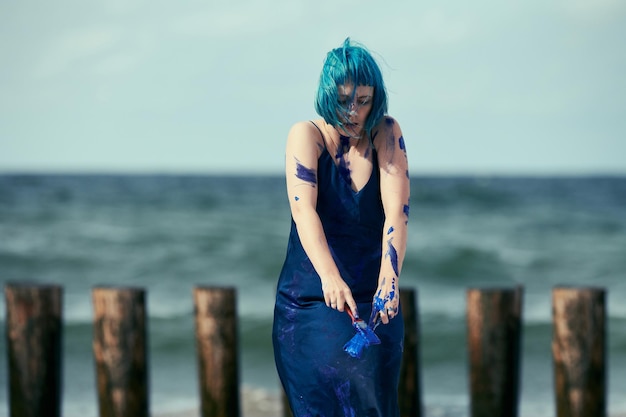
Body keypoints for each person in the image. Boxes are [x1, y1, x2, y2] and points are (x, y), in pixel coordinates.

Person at [272, 38, 410, 417]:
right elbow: (305, 213)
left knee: (376, 408)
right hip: (312, 303)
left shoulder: (386, 133)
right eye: (344, 98)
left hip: (374, 304)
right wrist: (331, 278)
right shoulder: (307, 135)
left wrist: (390, 278)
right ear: (326, 93)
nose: (352, 110)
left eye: (362, 100)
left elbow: (397, 213)